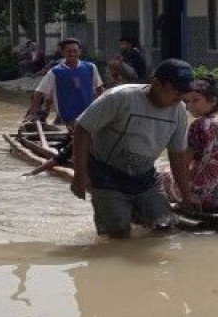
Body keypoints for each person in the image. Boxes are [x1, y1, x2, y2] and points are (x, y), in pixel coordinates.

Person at [71, 59, 197, 238]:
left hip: (144, 175)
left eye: (184, 92)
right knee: (118, 233)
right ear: (156, 83)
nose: (180, 97)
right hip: (106, 173)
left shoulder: (179, 112)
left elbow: (177, 154)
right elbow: (82, 129)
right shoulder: (119, 97)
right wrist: (80, 175)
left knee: (164, 226)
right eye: (175, 90)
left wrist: (186, 195)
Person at [164, 75, 218, 213]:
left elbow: (183, 162)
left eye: (196, 100)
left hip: (206, 199)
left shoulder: (199, 124)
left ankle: (185, 202)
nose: (189, 106)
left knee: (166, 174)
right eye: (187, 101)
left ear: (213, 101)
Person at [24, 38, 103, 126]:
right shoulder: (55, 72)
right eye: (69, 51)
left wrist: (102, 109)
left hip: (88, 116)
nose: (72, 54)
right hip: (67, 118)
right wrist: (33, 113)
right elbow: (38, 93)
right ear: (62, 52)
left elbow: (99, 89)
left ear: (80, 51)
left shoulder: (91, 67)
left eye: (75, 51)